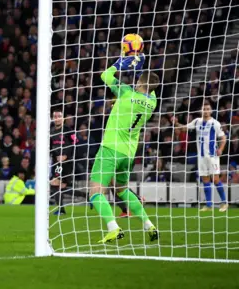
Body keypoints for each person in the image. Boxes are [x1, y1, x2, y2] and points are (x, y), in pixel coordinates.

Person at [89, 52, 159, 244]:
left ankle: (113, 228)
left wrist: (120, 64)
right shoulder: (152, 102)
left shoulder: (126, 92)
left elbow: (105, 75)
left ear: (139, 82)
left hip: (111, 148)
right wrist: (141, 68)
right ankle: (149, 225)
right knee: (122, 190)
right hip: (129, 153)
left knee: (95, 192)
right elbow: (148, 86)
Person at [173, 102, 228, 212]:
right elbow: (184, 128)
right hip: (201, 157)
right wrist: (176, 123)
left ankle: (224, 202)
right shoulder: (197, 122)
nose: (206, 111)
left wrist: (221, 149)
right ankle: (208, 205)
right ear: (201, 111)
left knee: (216, 179)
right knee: (205, 179)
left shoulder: (215, 123)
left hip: (212, 156)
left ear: (211, 111)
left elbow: (223, 138)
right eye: (204, 109)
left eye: (208, 109)